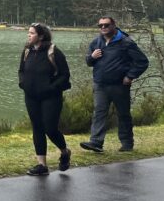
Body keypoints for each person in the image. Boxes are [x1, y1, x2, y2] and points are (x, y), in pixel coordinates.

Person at [80, 15, 149, 153]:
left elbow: (142, 61)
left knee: (123, 114)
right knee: (99, 113)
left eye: (106, 25)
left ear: (114, 25)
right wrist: (91, 57)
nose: (103, 28)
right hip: (100, 85)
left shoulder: (126, 42)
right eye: (100, 26)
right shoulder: (96, 42)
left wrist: (130, 76)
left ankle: (127, 143)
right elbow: (89, 62)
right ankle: (96, 142)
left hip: (119, 85)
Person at [18, 23, 72, 176]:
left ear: (41, 36)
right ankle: (42, 165)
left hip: (51, 97)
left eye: (32, 33)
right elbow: (21, 70)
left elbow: (64, 75)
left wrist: (51, 88)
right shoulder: (27, 51)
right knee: (37, 128)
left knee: (50, 128)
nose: (29, 35)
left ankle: (64, 151)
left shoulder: (54, 52)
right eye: (28, 33)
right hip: (31, 96)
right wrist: (23, 83)